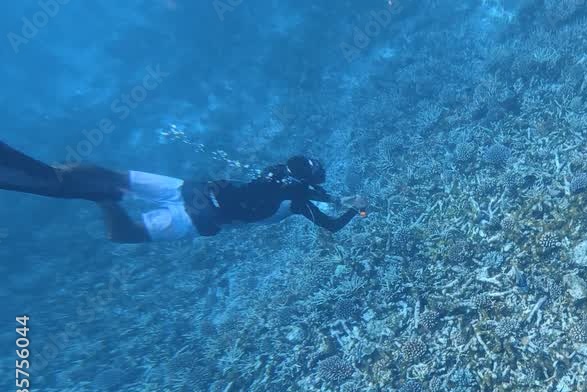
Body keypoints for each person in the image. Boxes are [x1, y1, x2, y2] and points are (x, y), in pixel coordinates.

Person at [0, 141, 368, 243]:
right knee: (122, 233)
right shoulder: (300, 198)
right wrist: (356, 210)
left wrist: (341, 200)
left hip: (192, 189)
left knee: (109, 174)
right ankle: (101, 197)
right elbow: (331, 225)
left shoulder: (277, 173)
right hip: (199, 216)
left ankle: (49, 174)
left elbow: (304, 191)